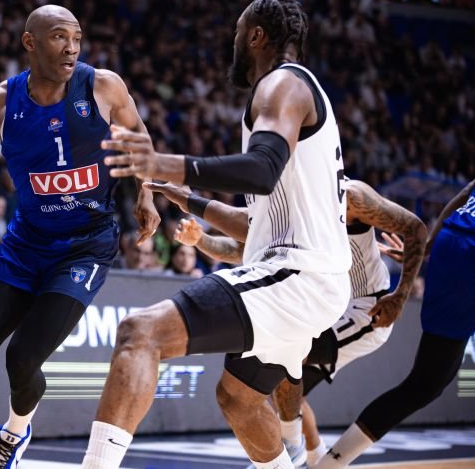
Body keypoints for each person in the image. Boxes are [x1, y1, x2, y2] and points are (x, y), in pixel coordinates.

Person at [81, 0, 351, 469]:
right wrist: (188, 199)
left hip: (298, 276)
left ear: (256, 36)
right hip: (311, 280)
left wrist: (166, 162)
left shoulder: (281, 84)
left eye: (237, 32)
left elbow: (261, 169)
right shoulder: (296, 94)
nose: (233, 42)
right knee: (238, 399)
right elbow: (256, 224)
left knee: (139, 333)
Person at [0, 5, 160, 469]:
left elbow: (138, 139)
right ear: (30, 42)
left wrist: (146, 192)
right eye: (59, 37)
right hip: (25, 246)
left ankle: (15, 433)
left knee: (23, 358)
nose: (71, 48)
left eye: (77, 38)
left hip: (85, 247)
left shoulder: (103, 86)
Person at [147, 178, 427, 466]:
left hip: (366, 310)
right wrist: (201, 240)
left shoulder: (349, 195)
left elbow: (415, 228)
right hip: (320, 303)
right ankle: (311, 455)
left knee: (280, 354)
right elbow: (239, 250)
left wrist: (400, 296)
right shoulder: (286, 205)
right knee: (279, 378)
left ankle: (293, 446)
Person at [315, 178, 475, 468]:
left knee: (426, 383)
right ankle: (326, 463)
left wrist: (429, 245)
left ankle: (330, 462)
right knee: (426, 384)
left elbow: (465, 192)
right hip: (467, 255)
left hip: (452, 241)